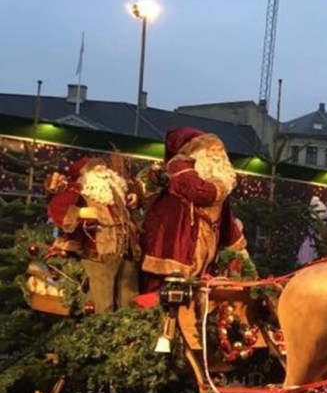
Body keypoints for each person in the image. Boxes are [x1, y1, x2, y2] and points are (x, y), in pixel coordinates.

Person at [139, 127, 247, 302]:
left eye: (219, 149)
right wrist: (221, 185)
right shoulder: (179, 167)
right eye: (211, 149)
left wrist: (239, 250)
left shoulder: (219, 178)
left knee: (195, 298)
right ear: (195, 151)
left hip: (206, 253)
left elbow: (227, 218)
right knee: (163, 297)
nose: (217, 154)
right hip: (175, 247)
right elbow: (202, 193)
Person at [46, 156, 140, 313]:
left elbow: (135, 189)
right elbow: (58, 208)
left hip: (126, 248)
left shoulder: (116, 189)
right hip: (98, 249)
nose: (101, 169)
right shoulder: (79, 189)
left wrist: (135, 195)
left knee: (128, 295)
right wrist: (79, 213)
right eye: (94, 167)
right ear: (85, 174)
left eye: (102, 166)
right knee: (102, 297)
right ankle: (100, 324)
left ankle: (128, 322)